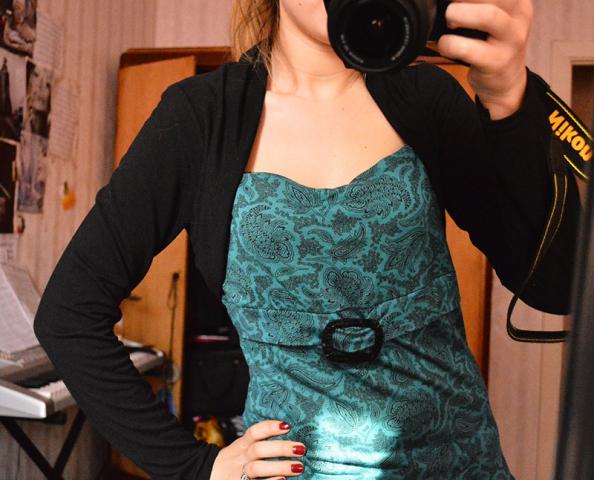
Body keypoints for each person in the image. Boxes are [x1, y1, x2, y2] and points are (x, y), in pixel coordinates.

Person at [33, 1, 581, 479]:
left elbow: (556, 286)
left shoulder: (426, 97)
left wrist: (510, 102)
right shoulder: (200, 116)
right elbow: (69, 314)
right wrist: (195, 467)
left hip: (459, 458)